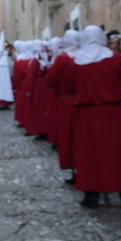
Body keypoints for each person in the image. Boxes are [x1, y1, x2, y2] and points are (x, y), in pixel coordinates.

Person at [68, 26, 121, 208]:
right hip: (111, 112)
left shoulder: (76, 61)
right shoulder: (114, 58)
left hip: (86, 113)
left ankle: (91, 194)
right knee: (118, 153)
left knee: (89, 154)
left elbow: (70, 86)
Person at [46, 30, 81, 181]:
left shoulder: (62, 59)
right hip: (86, 100)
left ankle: (76, 171)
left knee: (72, 138)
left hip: (68, 103)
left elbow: (51, 81)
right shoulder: (85, 55)